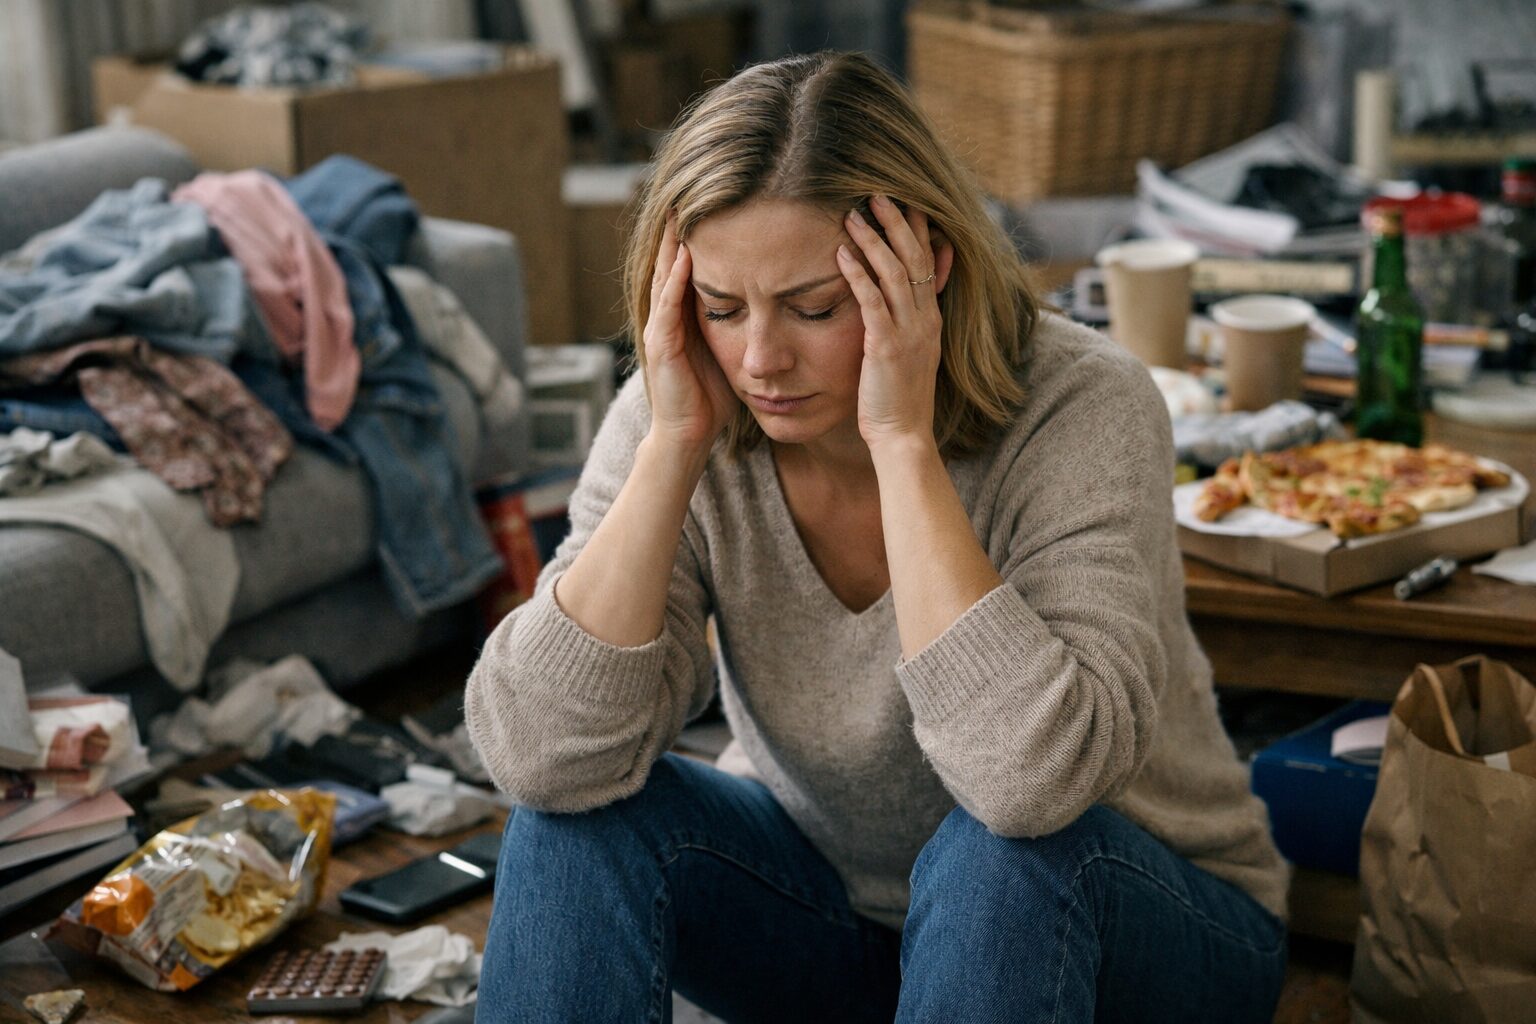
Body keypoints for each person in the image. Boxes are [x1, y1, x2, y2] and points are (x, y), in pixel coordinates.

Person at [467, 51, 1288, 1023]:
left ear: (925, 265)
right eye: (723, 308)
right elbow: (535, 754)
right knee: (572, 827)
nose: (762, 359)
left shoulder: (1085, 405)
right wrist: (673, 444)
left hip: (1140, 918)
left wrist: (900, 442)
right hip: (850, 921)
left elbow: (1030, 787)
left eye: (815, 307)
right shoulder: (689, 399)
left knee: (995, 857)